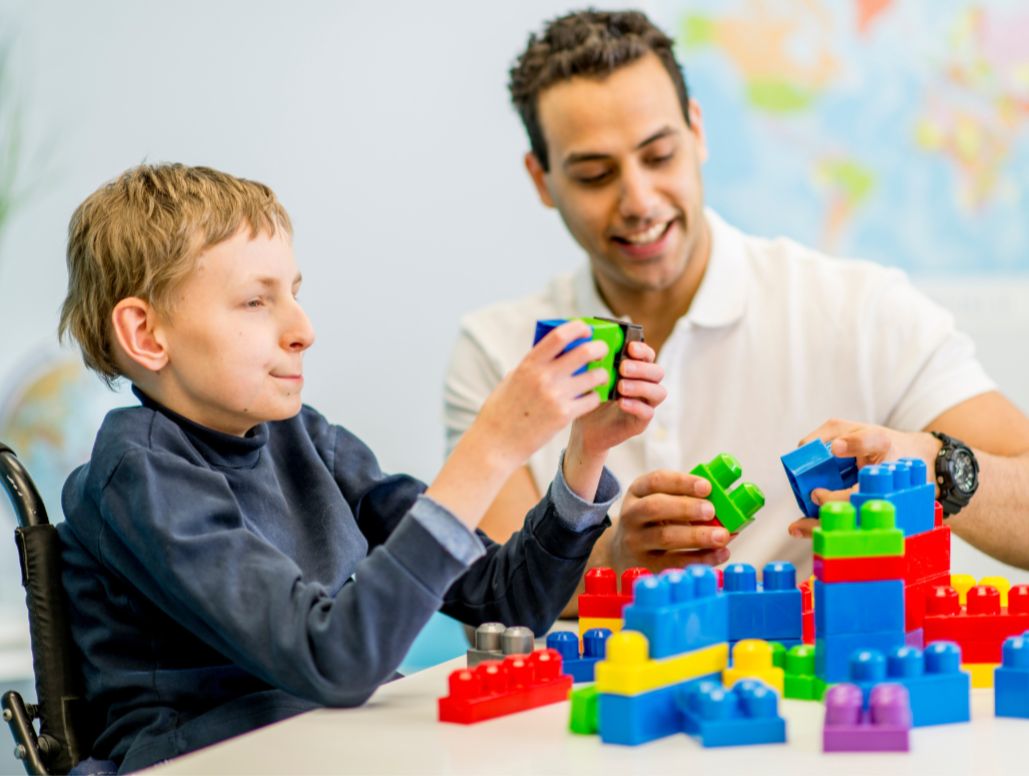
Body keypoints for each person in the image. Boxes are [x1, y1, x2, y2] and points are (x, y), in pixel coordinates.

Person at [55, 163, 666, 771]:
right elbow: (333, 657)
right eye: (254, 301)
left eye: (295, 293)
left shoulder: (302, 437)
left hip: (321, 737)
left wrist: (587, 451)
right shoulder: (138, 473)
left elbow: (508, 603)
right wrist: (494, 446)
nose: (304, 330)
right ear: (146, 333)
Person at [443, 9, 1029, 615]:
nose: (639, 201)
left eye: (660, 155)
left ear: (697, 131)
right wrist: (612, 557)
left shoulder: (862, 311)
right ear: (541, 180)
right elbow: (486, 583)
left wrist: (931, 470)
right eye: (595, 174)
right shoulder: (498, 349)